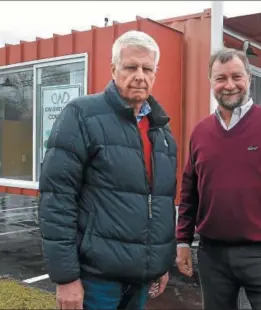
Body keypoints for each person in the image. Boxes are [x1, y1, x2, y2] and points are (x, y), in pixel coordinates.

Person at [39, 30, 178, 310]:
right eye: (130, 67)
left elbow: (161, 202)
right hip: (96, 280)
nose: (140, 75)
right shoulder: (81, 115)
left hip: (139, 280)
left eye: (147, 68)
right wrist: (66, 277)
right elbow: (57, 200)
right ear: (114, 69)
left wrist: (160, 263)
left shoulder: (161, 130)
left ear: (155, 73)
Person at [175, 47, 261, 310]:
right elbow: (190, 192)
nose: (229, 85)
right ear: (210, 82)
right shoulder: (201, 132)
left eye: (236, 77)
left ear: (249, 78)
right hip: (212, 255)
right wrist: (182, 241)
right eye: (220, 78)